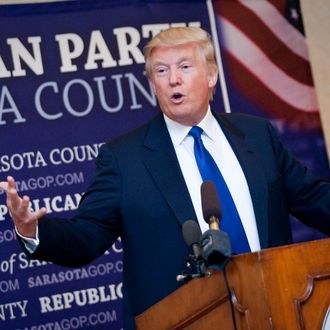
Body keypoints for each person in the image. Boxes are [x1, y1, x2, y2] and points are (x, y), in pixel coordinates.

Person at [1, 26, 330, 329]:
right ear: (153, 83)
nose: (174, 79)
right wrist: (33, 231)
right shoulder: (124, 158)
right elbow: (87, 237)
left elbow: (314, 199)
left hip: (277, 309)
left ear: (212, 75)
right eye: (161, 70)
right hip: (185, 320)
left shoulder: (257, 136)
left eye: (185, 67)